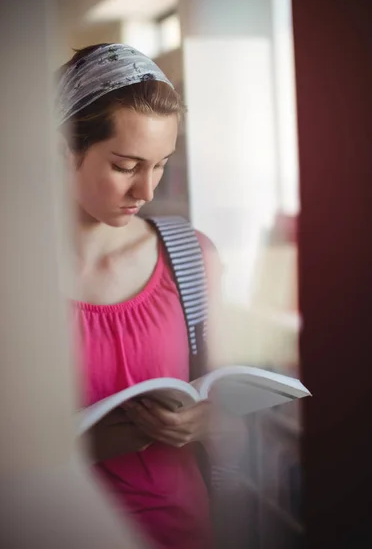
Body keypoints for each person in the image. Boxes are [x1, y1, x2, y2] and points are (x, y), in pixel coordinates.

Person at [55, 43, 246, 549]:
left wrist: (208, 420)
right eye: (125, 165)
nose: (147, 190)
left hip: (179, 531)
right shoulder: (16, 274)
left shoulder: (191, 256)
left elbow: (231, 419)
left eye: (160, 164)